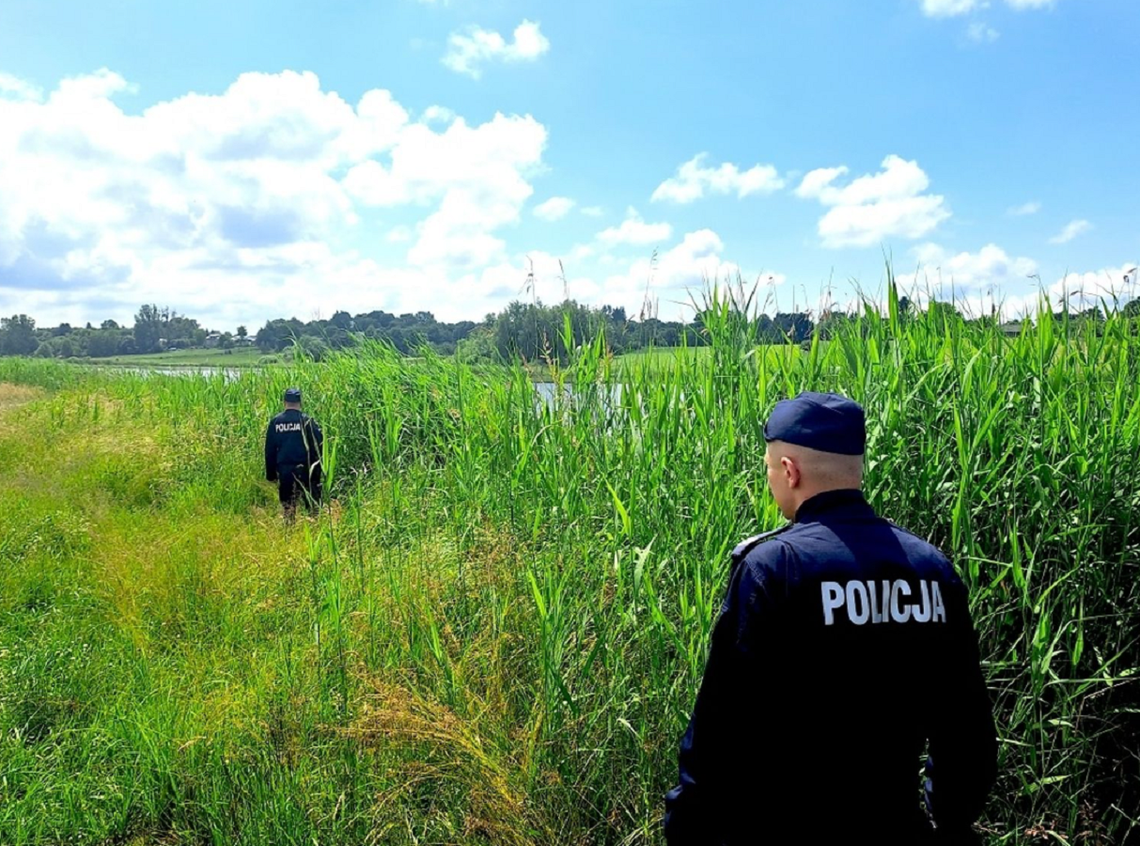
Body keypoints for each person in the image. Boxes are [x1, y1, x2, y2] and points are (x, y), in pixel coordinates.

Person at [663, 391, 997, 846]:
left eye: (768, 469)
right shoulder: (932, 569)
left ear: (789, 470)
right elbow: (966, 731)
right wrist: (950, 821)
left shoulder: (774, 568)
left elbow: (721, 732)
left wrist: (688, 828)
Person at [264, 387, 323, 521]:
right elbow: (318, 446)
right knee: (313, 508)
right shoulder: (307, 421)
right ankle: (314, 532)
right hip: (307, 470)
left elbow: (270, 451)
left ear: (284, 402)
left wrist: (271, 475)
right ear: (300, 403)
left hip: (285, 471)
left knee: (288, 508)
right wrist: (318, 472)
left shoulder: (276, 422)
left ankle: (288, 534)